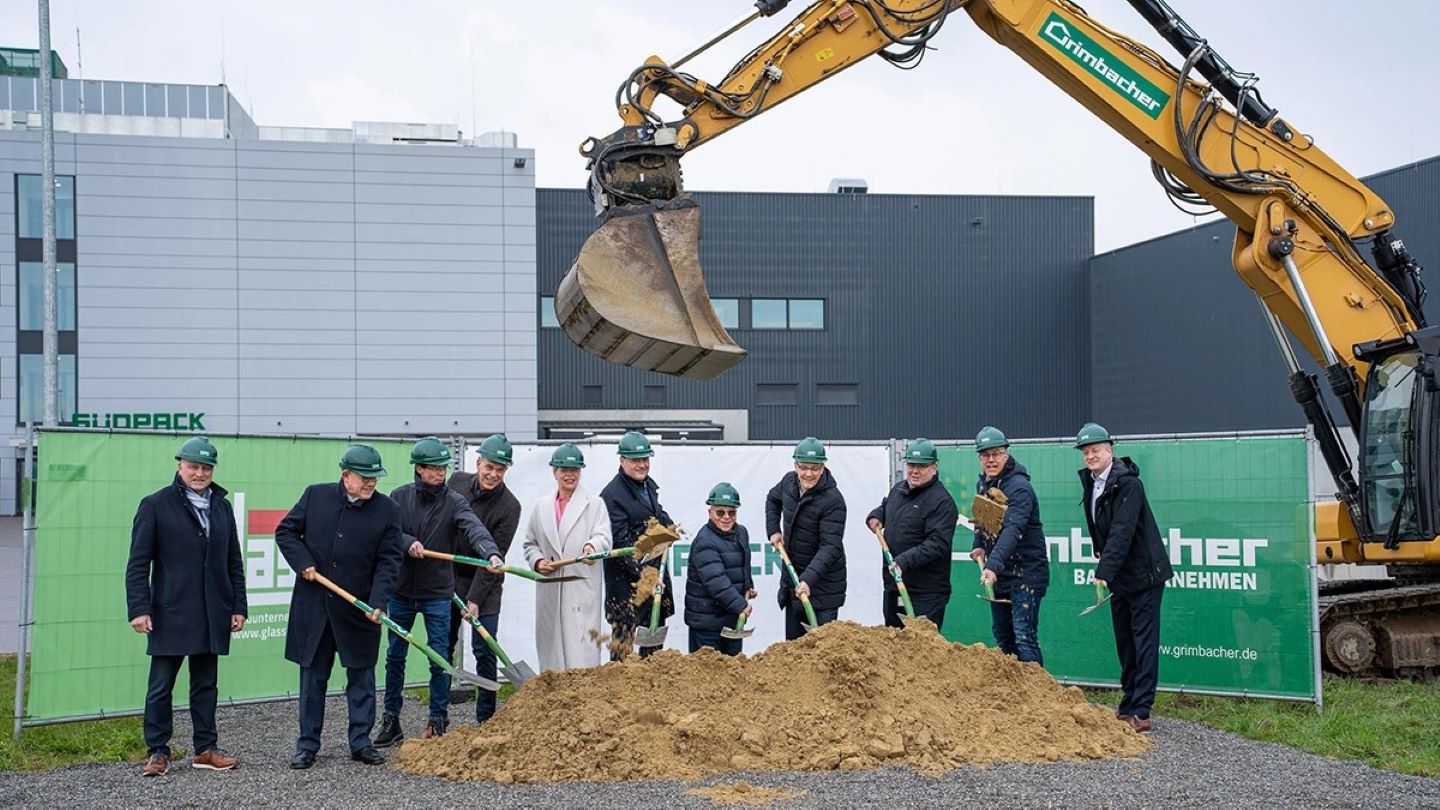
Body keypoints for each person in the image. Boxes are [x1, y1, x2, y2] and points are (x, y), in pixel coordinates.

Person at [275, 444, 404, 769]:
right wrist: (303, 563)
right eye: (365, 477)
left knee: (361, 678)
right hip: (315, 607)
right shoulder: (315, 496)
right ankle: (307, 745)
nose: (371, 483)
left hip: (359, 609)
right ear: (345, 475)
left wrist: (378, 601)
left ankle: (361, 742)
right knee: (313, 680)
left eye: (375, 478)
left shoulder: (387, 510)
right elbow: (286, 531)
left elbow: (390, 560)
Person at [124, 437, 246, 777]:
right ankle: (158, 752)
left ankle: (206, 750)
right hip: (170, 611)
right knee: (161, 686)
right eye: (194, 466)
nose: (200, 473)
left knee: (206, 684)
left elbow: (233, 561)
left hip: (213, 612)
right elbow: (137, 564)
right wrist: (139, 608)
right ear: (180, 466)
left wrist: (238, 606)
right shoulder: (155, 505)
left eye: (206, 467)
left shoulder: (221, 507)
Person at [374, 438, 502, 748]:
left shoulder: (454, 501)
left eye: (443, 468)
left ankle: (438, 719)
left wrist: (491, 553)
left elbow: (474, 528)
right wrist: (407, 542)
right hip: (402, 591)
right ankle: (391, 719)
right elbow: (390, 533)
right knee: (395, 656)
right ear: (418, 469)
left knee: (440, 657)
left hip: (437, 592)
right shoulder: (399, 497)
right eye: (433, 469)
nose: (439, 474)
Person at [1075, 422, 1173, 734]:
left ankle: (1141, 711)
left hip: (1144, 574)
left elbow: (1122, 531)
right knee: (1125, 643)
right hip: (1121, 577)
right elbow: (1101, 528)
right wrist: (1100, 554)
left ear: (1110, 451)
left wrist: (1103, 572)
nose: (1091, 455)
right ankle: (1129, 700)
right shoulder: (1092, 483)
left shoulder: (1128, 484)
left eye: (1096, 450)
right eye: (1086, 451)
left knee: (1143, 642)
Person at [447, 433, 522, 725]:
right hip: (450, 577)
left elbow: (495, 558)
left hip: (486, 584)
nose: (493, 474)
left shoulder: (510, 507)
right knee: (444, 645)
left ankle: (486, 719)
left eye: (500, 469)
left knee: (485, 650)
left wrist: (475, 600)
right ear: (478, 462)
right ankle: (437, 718)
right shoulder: (455, 484)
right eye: (489, 467)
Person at [523, 443, 612, 671]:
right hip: (551, 588)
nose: (569, 475)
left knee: (580, 651)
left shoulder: (594, 505)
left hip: (580, 588)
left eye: (574, 470)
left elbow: (603, 537)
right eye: (564, 470)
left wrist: (592, 548)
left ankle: (583, 701)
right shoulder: (541, 507)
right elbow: (530, 543)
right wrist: (537, 561)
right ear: (555, 472)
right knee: (552, 654)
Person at [969, 426, 1049, 665]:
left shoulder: (1020, 488)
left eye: (996, 453)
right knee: (1003, 637)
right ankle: (1013, 697)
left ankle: (1038, 696)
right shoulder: (983, 484)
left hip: (1026, 574)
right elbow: (982, 520)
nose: (990, 460)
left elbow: (1012, 530)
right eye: (985, 455)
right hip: (1001, 573)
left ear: (1006, 454)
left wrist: (991, 566)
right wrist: (979, 545)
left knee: (1024, 638)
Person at [866, 438, 958, 629]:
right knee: (892, 646)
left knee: (921, 652)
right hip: (895, 588)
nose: (915, 471)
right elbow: (886, 506)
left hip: (925, 593)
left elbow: (937, 544)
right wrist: (876, 515)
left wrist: (904, 561)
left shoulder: (941, 502)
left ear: (934, 467)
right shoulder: (898, 490)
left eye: (922, 466)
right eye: (911, 465)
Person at [601, 431, 675, 658]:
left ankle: (652, 692)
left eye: (645, 459)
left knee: (653, 653)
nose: (642, 465)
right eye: (635, 460)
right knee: (623, 653)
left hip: (652, 581)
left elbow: (657, 514)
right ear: (622, 460)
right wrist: (648, 578)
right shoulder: (612, 495)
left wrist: (669, 527)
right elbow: (622, 547)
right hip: (626, 589)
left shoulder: (648, 487)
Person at [765, 437, 847, 640]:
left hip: (824, 587)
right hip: (794, 579)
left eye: (815, 468)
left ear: (822, 468)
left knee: (823, 652)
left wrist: (807, 580)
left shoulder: (834, 501)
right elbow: (772, 499)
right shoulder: (788, 482)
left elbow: (830, 547)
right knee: (794, 650)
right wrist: (774, 530)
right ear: (795, 466)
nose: (808, 473)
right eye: (804, 467)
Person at [685, 483, 756, 656]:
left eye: (731, 512)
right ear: (710, 513)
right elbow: (717, 582)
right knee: (707, 678)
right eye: (720, 512)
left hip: (731, 619)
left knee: (732, 675)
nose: (726, 517)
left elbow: (743, 565)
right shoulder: (705, 542)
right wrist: (740, 605)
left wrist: (748, 585)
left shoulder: (741, 533)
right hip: (706, 623)